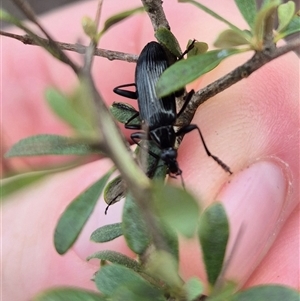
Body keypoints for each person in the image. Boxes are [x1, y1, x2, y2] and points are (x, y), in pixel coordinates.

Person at [2, 0, 299, 300]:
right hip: (151, 69)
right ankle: (181, 65)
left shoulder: (159, 127)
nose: (172, 162)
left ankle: (183, 65)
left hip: (150, 67)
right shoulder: (166, 123)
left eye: (169, 159)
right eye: (171, 159)